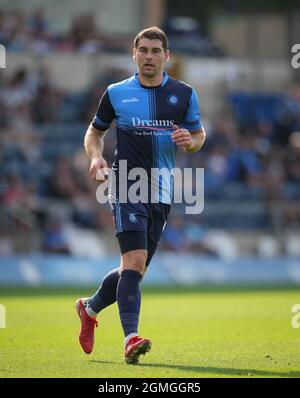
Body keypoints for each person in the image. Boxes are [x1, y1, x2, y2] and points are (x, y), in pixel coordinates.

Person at [75, 26, 206, 364]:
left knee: (133, 270)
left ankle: (88, 309)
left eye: (155, 51)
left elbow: (198, 133)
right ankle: (131, 338)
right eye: (143, 50)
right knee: (133, 262)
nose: (149, 56)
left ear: (166, 57)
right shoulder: (117, 92)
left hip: (163, 191)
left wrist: (190, 143)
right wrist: (96, 156)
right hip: (127, 185)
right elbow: (95, 132)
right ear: (134, 55)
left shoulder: (184, 93)